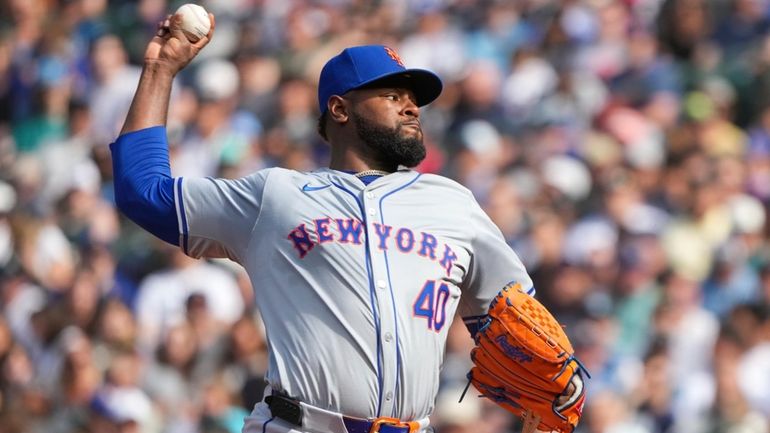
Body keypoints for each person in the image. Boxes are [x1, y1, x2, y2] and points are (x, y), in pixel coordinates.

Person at [110, 11, 535, 433]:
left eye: (413, 99)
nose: (411, 108)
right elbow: (143, 191)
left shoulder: (453, 204)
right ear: (339, 109)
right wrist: (159, 70)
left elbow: (518, 319)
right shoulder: (275, 196)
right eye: (392, 95)